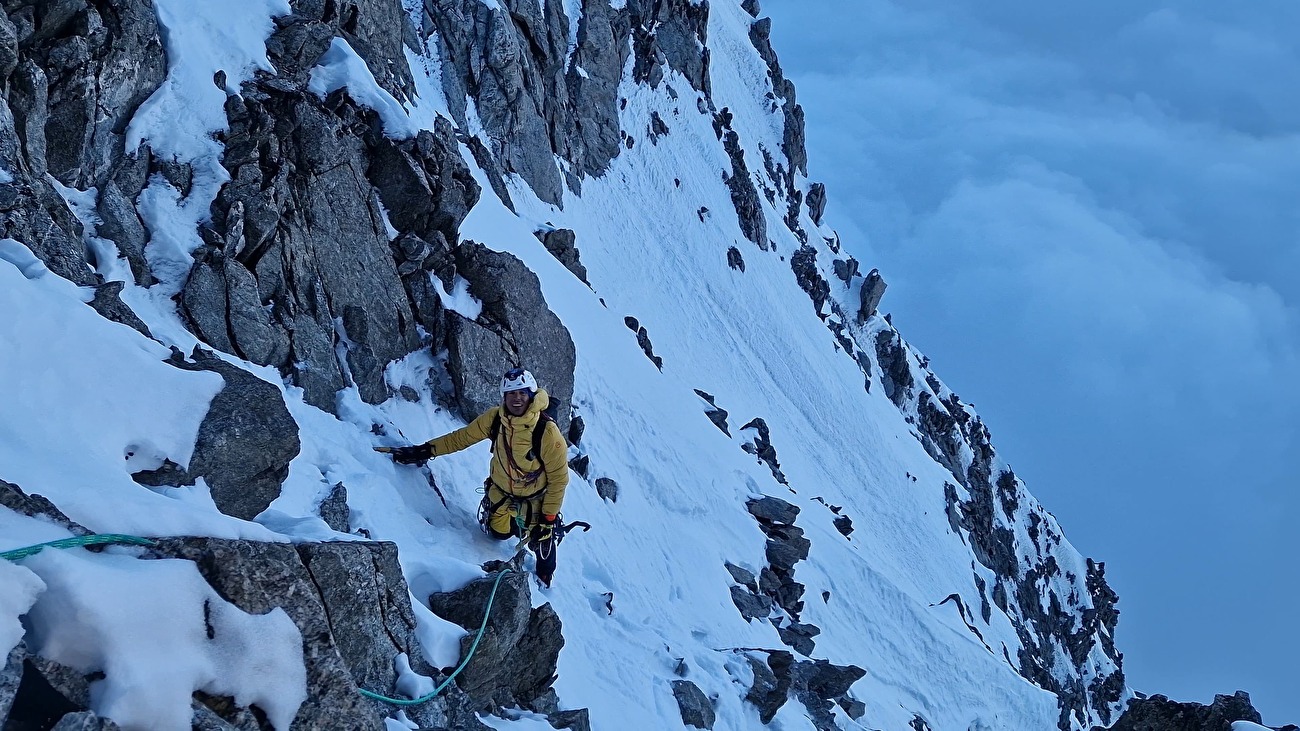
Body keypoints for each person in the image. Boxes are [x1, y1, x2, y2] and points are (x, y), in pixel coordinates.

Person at [386, 367, 569, 585]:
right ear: (504, 397)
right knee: (498, 534)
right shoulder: (495, 419)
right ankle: (514, 525)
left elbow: (559, 480)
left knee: (543, 542)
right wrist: (424, 451)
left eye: (521, 392)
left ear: (531, 394)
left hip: (535, 499)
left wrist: (547, 519)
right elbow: (461, 438)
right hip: (501, 494)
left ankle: (545, 578)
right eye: (511, 393)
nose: (516, 398)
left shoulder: (547, 432)